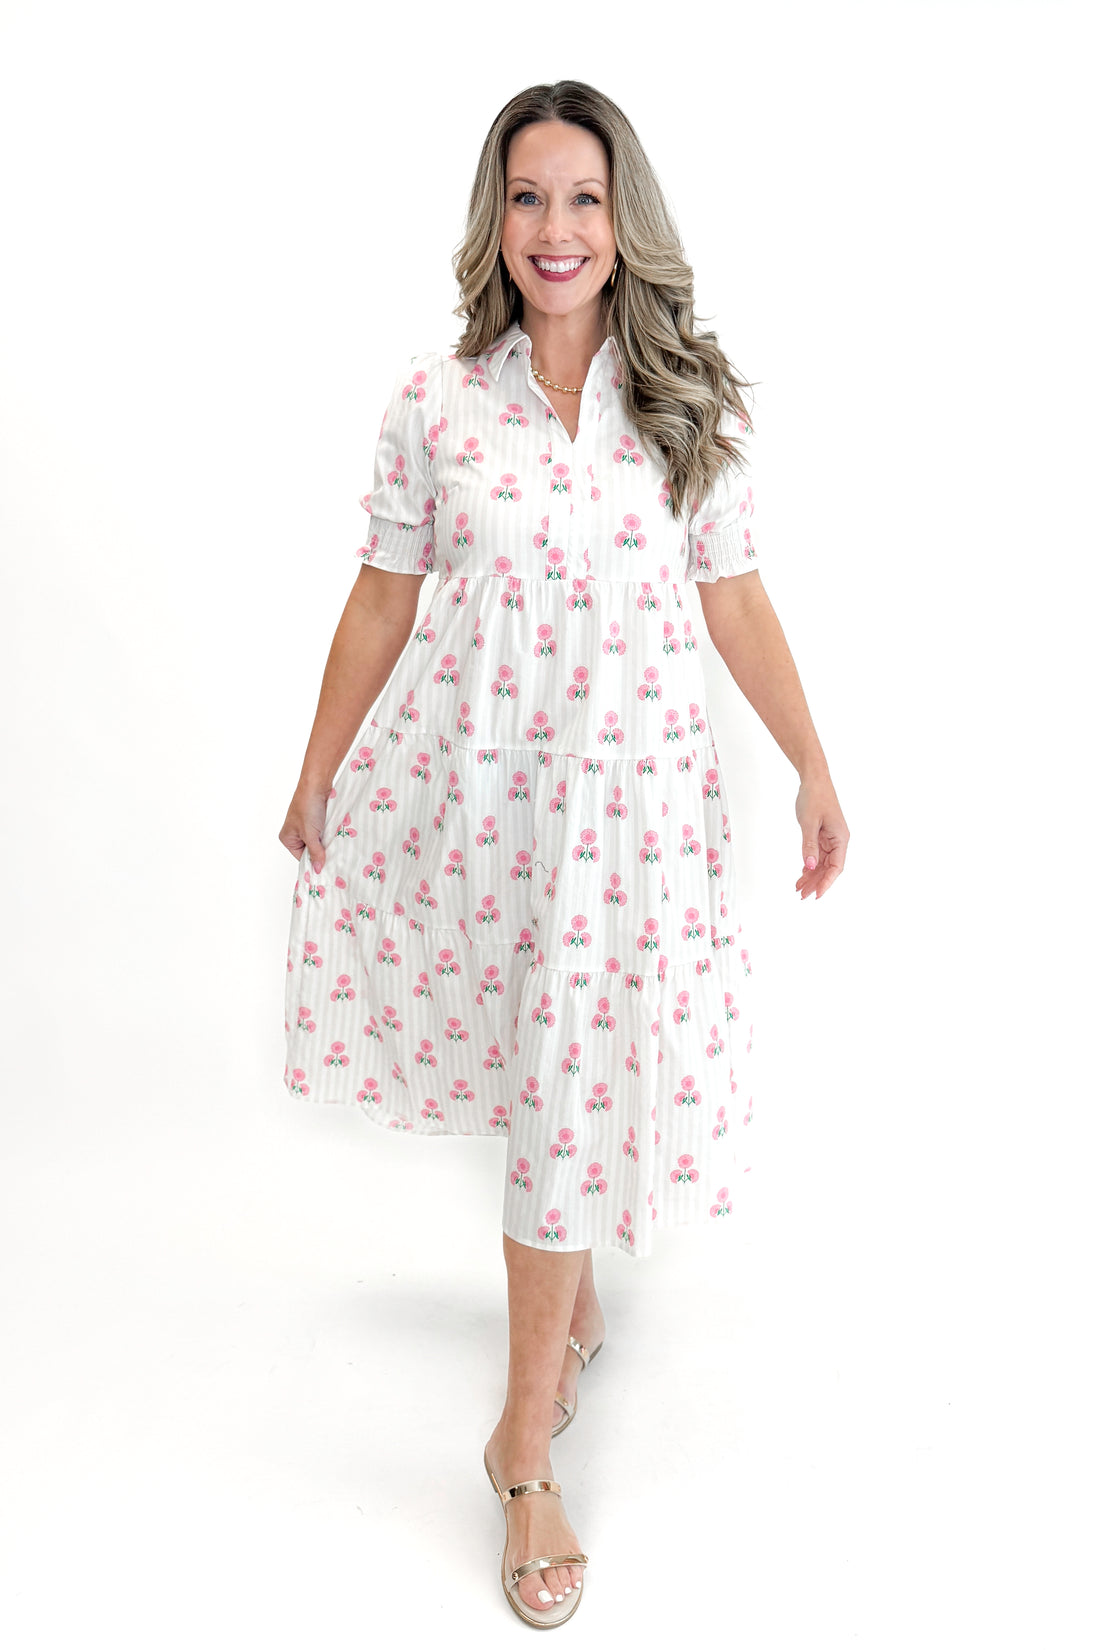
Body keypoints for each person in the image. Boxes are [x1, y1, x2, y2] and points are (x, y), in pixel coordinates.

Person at [278, 80, 849, 1629]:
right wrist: (320, 765)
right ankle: (529, 1440)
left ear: (624, 218)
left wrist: (810, 760)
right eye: (528, 199)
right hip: (490, 810)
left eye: (582, 199)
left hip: (640, 818)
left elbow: (732, 596)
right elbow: (385, 595)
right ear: (496, 219)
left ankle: (519, 1416)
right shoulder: (435, 397)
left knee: (570, 1075)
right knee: (549, 1077)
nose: (555, 230)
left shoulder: (685, 404)